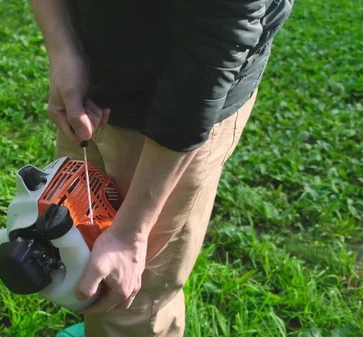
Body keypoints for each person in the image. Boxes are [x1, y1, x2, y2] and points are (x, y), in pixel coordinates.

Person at [28, 1, 294, 336]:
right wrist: (65, 51)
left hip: (176, 108)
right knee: (78, 244)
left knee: (130, 300)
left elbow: (205, 69)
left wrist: (131, 233)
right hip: (99, 75)